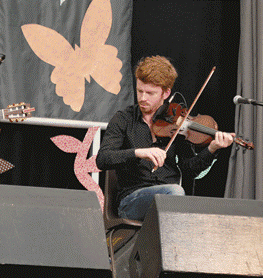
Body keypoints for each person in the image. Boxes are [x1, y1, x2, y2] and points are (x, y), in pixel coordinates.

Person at [96, 55, 234, 221]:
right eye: (139, 91)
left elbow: (188, 169)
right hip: (132, 201)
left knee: (189, 205)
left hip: (170, 199)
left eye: (150, 93)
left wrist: (212, 149)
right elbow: (103, 159)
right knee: (175, 193)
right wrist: (139, 152)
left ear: (166, 93)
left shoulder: (177, 122)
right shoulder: (123, 119)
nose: (142, 98)